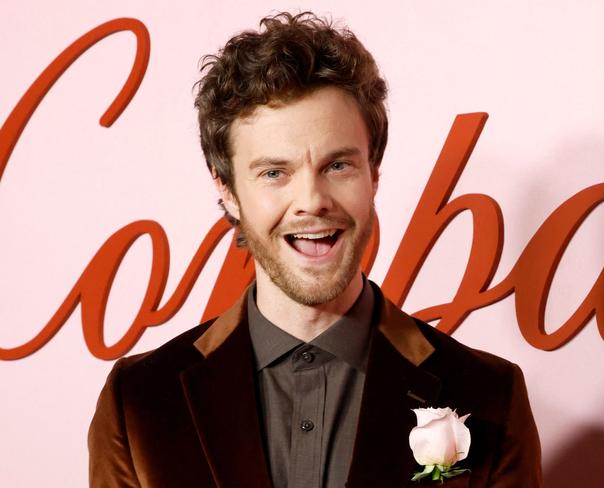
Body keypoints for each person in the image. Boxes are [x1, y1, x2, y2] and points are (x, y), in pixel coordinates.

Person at [88, 11, 542, 487]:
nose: (311, 202)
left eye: (338, 166)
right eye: (274, 173)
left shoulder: (489, 397)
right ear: (227, 190)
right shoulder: (139, 401)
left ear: (374, 174)